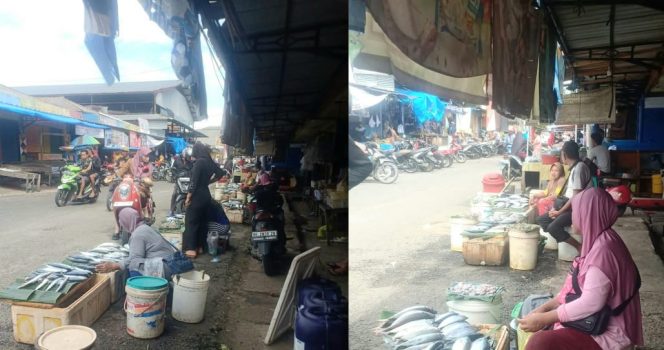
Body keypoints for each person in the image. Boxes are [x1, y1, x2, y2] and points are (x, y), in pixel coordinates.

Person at [520, 188, 643, 350]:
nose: (572, 217)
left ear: (589, 214)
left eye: (576, 211)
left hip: (609, 330)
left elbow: (590, 303)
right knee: (531, 306)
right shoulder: (600, 238)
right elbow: (571, 289)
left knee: (540, 342)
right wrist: (543, 309)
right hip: (598, 319)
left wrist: (544, 319)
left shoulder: (604, 251)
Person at [537, 141, 591, 253]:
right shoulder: (575, 167)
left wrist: (559, 212)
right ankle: (561, 237)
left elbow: (575, 198)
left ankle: (579, 247)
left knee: (552, 227)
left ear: (564, 155)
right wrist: (556, 209)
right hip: (567, 206)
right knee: (541, 220)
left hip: (576, 210)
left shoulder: (579, 169)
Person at [96, 208, 176, 278]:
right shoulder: (145, 227)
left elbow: (134, 259)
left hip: (165, 267)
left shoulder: (137, 234)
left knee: (134, 265)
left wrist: (114, 265)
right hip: (171, 262)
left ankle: (141, 290)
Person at [184, 142, 228, 258]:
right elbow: (220, 173)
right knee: (203, 222)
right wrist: (208, 182)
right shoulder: (209, 161)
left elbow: (194, 181)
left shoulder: (199, 162)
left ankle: (191, 249)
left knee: (191, 222)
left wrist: (188, 196)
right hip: (206, 196)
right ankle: (200, 247)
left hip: (197, 196)